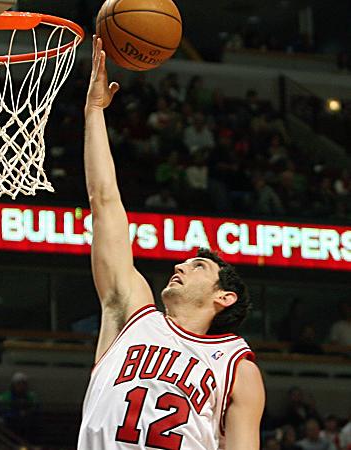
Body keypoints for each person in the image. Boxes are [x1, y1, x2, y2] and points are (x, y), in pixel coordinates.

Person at [78, 35, 265, 450]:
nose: (180, 266)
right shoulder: (130, 313)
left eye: (199, 267)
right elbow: (104, 202)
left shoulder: (238, 367)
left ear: (225, 298)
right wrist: (94, 112)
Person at [0, 372, 39, 441]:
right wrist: (16, 414)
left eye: (24, 383)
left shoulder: (32, 396)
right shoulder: (4, 397)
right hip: (9, 422)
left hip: (25, 423)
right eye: (18, 383)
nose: (21, 386)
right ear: (13, 385)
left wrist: (26, 412)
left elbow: (36, 409)